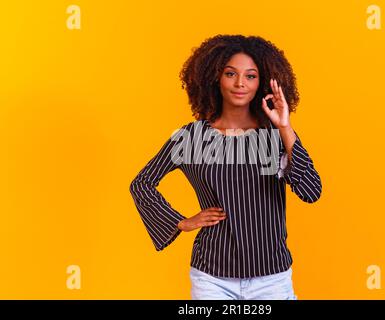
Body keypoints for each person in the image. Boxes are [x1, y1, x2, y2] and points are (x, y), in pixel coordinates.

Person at [129, 34, 322, 300]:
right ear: (215, 78)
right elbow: (142, 183)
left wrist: (285, 126)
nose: (240, 83)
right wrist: (181, 222)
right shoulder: (191, 138)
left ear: (262, 83)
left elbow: (311, 191)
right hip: (212, 277)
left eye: (251, 76)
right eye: (231, 73)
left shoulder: (274, 136)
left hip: (271, 279)